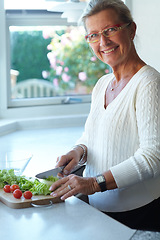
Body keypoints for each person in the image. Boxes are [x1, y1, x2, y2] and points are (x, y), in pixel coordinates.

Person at [50, 0, 160, 231]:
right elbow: (91, 136)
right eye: (93, 35)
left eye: (110, 30)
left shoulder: (149, 82)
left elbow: (153, 157)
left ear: (131, 29)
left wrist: (94, 183)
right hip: (98, 210)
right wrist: (77, 152)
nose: (103, 41)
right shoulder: (102, 84)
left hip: (139, 215)